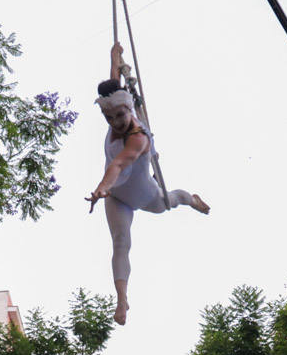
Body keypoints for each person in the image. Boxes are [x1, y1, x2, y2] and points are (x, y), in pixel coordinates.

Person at [86, 43, 210, 326]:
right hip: (117, 197)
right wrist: (114, 57)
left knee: (169, 202)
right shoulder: (116, 106)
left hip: (143, 195)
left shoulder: (139, 138)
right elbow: (113, 82)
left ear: (130, 111)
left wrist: (102, 187)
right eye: (109, 118)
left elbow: (118, 164)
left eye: (120, 116)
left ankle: (191, 198)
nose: (116, 122)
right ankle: (122, 300)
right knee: (120, 242)